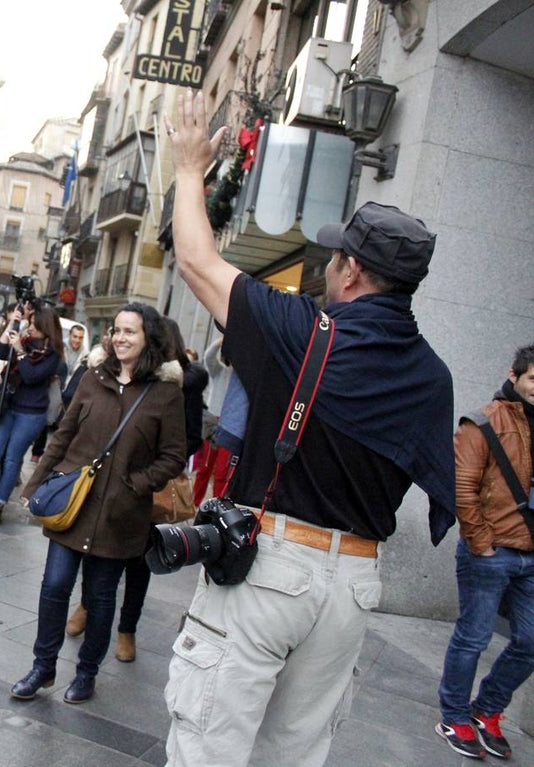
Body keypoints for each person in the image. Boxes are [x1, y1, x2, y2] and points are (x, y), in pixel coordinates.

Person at [162, 90, 455, 766]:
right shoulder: (432, 377)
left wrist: (187, 166)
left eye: (335, 257)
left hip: (272, 572)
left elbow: (198, 261)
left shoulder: (303, 331)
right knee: (293, 757)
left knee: (207, 746)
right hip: (353, 587)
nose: (328, 266)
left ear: (350, 269)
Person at [10, 303, 186, 704]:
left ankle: (87, 672)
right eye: (117, 330)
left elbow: (174, 455)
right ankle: (43, 667)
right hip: (75, 505)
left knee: (100, 597)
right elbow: (63, 434)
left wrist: (136, 484)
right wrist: (34, 485)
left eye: (130, 332)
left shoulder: (164, 393)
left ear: (148, 339)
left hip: (121, 515)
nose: (120, 338)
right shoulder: (93, 376)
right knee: (54, 585)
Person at [63, 318, 207, 663]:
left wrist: (148, 471)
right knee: (96, 551)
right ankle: (85, 605)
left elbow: (189, 438)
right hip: (112, 485)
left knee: (140, 564)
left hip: (152, 489)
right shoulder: (114, 373)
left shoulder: (179, 385)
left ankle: (127, 629)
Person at [435, 344, 534, 760]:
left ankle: (487, 710)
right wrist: (483, 546)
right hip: (491, 552)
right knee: (473, 638)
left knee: (530, 641)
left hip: (531, 555)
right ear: (514, 376)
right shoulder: (482, 422)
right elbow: (463, 490)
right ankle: (454, 715)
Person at [0, 304, 64, 526]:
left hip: (32, 413)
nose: (31, 327)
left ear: (47, 326)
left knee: (11, 458)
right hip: (8, 405)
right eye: (30, 322)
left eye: (35, 324)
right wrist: (12, 323)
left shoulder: (53, 352)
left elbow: (31, 376)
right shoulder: (23, 339)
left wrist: (20, 351)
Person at [192, 336, 235, 505]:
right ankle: (195, 502)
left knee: (222, 471)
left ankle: (218, 504)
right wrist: (220, 341)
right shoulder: (219, 371)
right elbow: (209, 356)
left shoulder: (243, 378)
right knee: (205, 466)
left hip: (230, 424)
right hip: (214, 422)